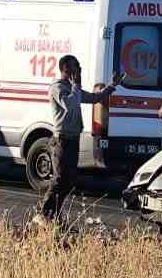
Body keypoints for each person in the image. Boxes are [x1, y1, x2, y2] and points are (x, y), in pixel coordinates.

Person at [37, 55, 121, 222]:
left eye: (79, 68)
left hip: (73, 139)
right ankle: (44, 213)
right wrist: (77, 85)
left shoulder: (72, 87)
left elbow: (94, 98)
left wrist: (112, 86)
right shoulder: (58, 87)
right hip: (62, 140)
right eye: (75, 68)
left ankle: (54, 215)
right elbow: (70, 105)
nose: (78, 71)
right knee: (60, 178)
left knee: (69, 181)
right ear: (65, 69)